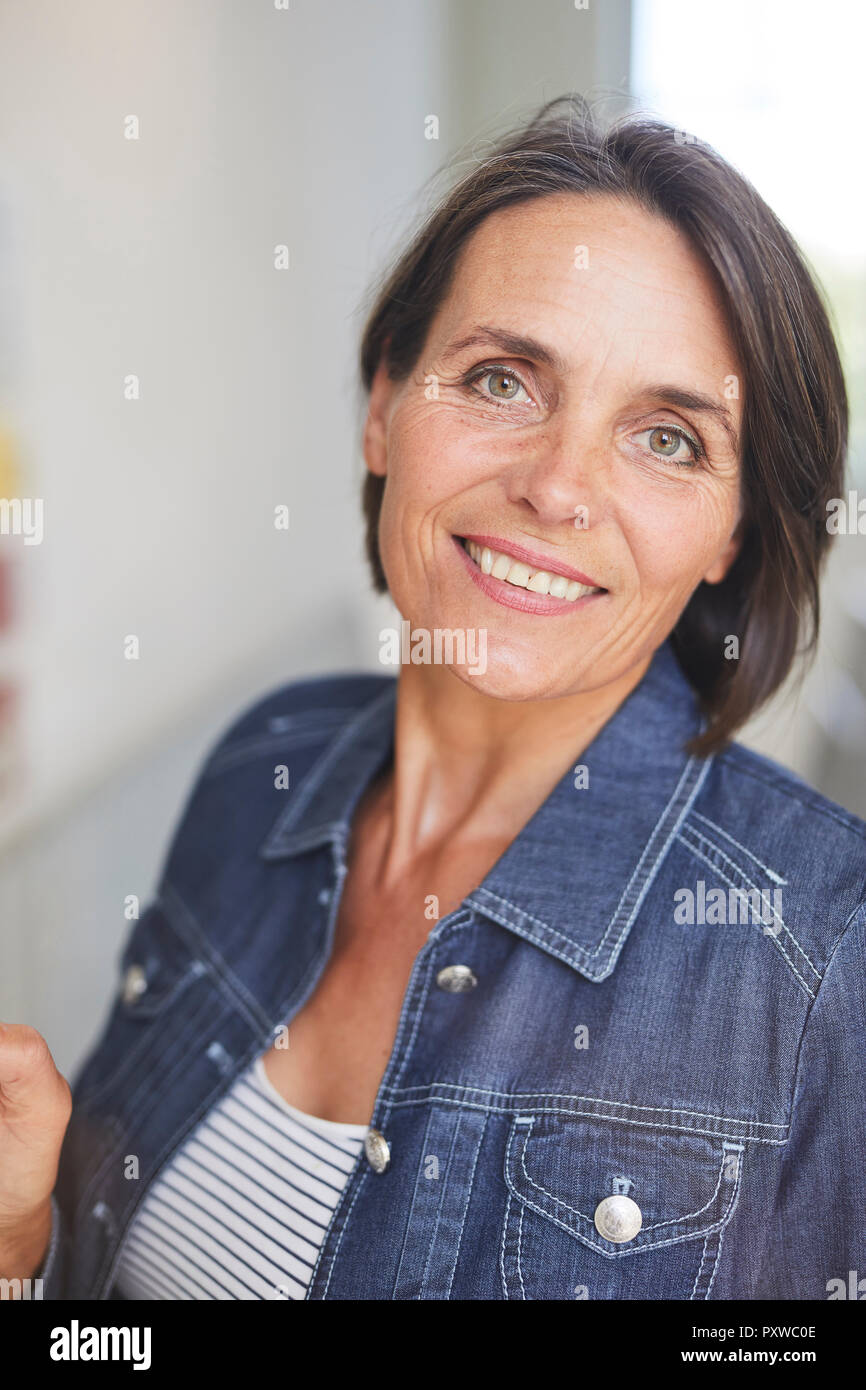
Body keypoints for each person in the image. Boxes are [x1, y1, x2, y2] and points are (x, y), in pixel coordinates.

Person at [2, 95, 864, 1301]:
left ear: (729, 531)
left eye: (667, 438)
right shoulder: (267, 759)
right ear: (381, 407)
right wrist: (18, 1251)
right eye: (503, 379)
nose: (558, 487)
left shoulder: (827, 948)